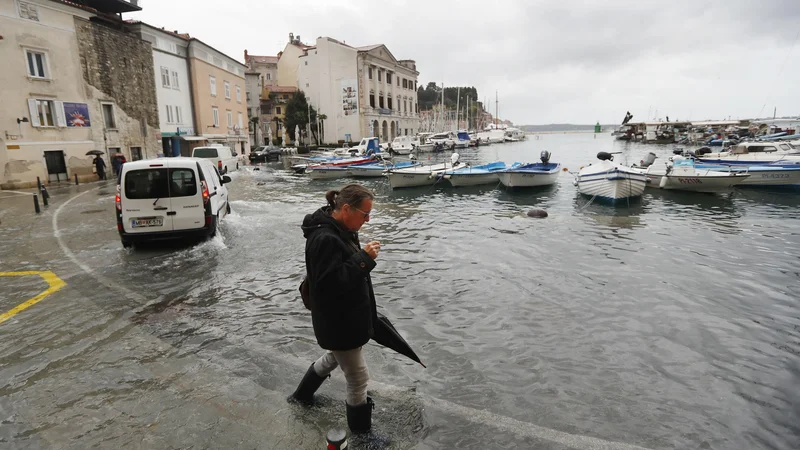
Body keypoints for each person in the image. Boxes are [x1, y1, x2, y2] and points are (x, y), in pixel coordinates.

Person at [289, 184, 383, 435]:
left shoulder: (340, 229)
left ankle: (301, 396)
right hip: (340, 322)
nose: (368, 219)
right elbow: (329, 285)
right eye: (365, 214)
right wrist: (364, 257)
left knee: (334, 357)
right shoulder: (325, 238)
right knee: (358, 378)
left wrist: (361, 258)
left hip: (342, 319)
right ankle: (362, 437)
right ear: (345, 209)